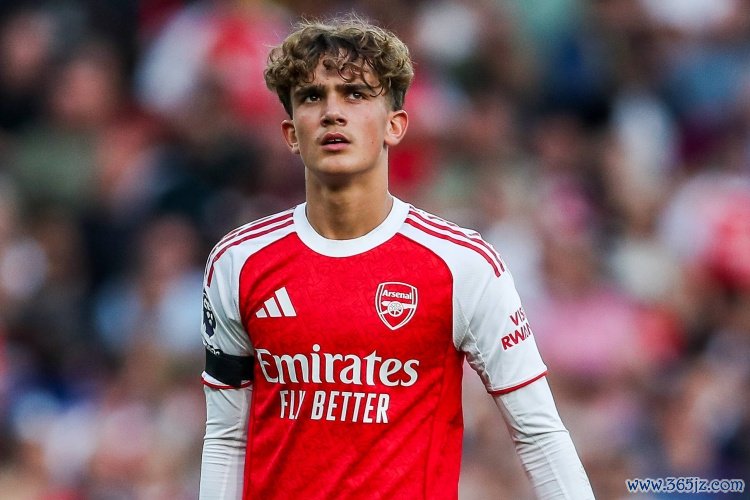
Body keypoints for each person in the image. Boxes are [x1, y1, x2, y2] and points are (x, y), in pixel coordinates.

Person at [199, 15, 595, 499]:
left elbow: (539, 434)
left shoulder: (463, 265)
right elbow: (227, 438)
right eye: (312, 97)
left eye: (355, 94)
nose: (332, 112)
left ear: (395, 125)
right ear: (290, 133)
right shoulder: (238, 262)